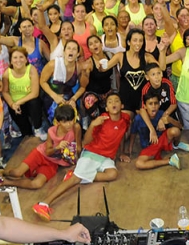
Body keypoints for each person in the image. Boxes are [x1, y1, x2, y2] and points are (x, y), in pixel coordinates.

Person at [33, 93, 131, 221]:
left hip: (106, 157)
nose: (113, 103)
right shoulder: (101, 120)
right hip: (92, 153)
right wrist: (93, 125)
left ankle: (78, 175)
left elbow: (121, 135)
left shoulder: (125, 118)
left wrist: (121, 153)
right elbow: (86, 142)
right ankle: (43, 204)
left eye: (116, 101)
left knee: (113, 174)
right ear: (106, 108)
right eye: (110, 102)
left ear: (122, 105)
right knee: (74, 181)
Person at [4, 105, 82, 189]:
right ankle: (3, 173)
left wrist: (77, 162)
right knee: (17, 173)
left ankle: (7, 182)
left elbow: (79, 147)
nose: (69, 124)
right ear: (58, 122)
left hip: (53, 163)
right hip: (41, 154)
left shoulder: (76, 127)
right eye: (65, 122)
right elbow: (47, 152)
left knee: (36, 184)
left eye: (71, 120)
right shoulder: (51, 131)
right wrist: (57, 147)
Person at [129, 89, 189, 170]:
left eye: (156, 103)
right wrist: (130, 148)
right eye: (150, 104)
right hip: (149, 146)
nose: (153, 106)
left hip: (162, 140)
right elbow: (133, 132)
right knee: (139, 164)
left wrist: (169, 119)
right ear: (144, 106)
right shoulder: (138, 118)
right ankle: (169, 160)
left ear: (159, 105)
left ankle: (176, 145)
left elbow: (180, 127)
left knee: (175, 131)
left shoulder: (161, 113)